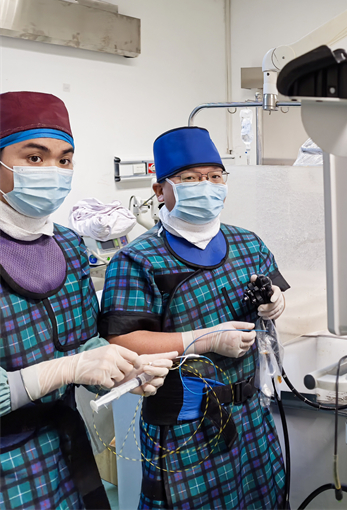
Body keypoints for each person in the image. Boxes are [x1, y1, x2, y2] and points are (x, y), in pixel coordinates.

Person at [0, 91, 177, 509]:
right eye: (34, 157)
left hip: (63, 450)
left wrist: (124, 369)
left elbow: (85, 342)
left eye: (64, 160)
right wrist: (65, 369)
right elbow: (72, 363)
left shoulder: (65, 244)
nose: (53, 171)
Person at [99, 126, 290, 509]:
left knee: (264, 499)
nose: (207, 186)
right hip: (184, 425)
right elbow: (123, 342)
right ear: (161, 190)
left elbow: (274, 289)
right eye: (190, 179)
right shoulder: (137, 259)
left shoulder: (248, 243)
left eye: (215, 176)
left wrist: (275, 303)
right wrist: (205, 340)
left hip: (250, 413)